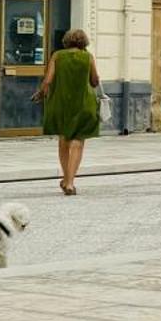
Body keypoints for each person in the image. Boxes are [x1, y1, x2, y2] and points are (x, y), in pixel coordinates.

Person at [36, 28, 101, 195]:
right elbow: (94, 81)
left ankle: (66, 179)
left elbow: (48, 80)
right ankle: (70, 183)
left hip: (61, 104)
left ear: (66, 41)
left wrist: (41, 93)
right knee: (77, 143)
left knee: (63, 141)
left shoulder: (57, 56)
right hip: (84, 104)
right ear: (84, 42)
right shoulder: (88, 57)